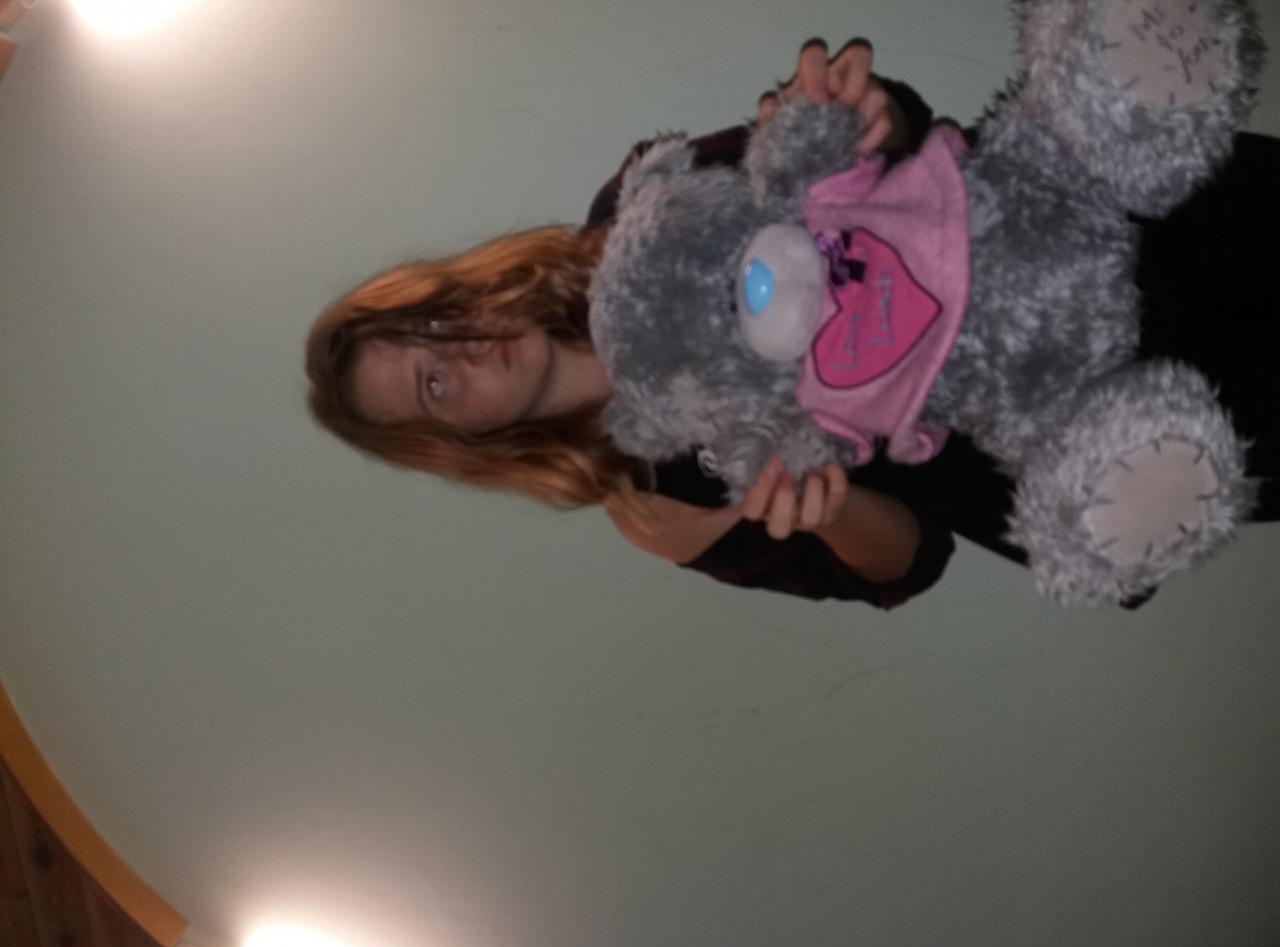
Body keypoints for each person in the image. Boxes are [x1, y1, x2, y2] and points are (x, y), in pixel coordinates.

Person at [306, 41, 1278, 610]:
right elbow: (905, 564)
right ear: (463, 442)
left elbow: (862, 150)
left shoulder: (634, 212)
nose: (465, 347)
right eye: (436, 383)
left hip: (1108, 220)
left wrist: (865, 112)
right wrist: (822, 508)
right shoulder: (655, 503)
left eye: (436, 320)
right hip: (1075, 426)